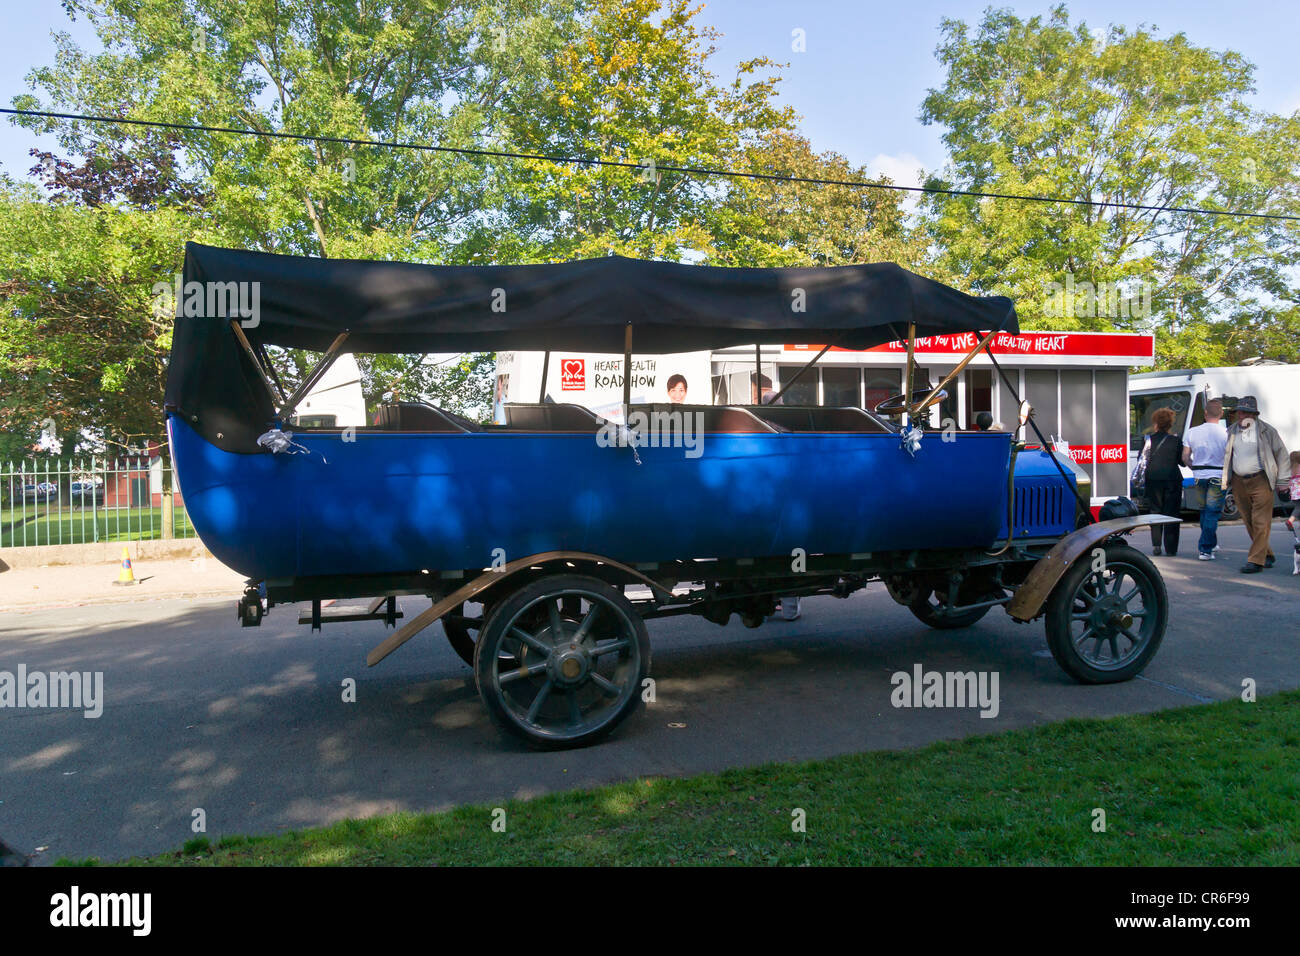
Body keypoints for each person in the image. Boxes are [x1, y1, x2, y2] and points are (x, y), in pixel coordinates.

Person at [1222, 395, 1291, 573]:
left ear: (1254, 414)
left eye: (1245, 412)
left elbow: (1282, 455)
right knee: (1249, 521)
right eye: (1239, 412)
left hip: (1261, 479)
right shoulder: (1231, 431)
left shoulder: (1267, 431)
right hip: (1238, 481)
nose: (1241, 415)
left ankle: (1255, 561)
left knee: (1261, 521)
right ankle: (1266, 554)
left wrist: (1283, 481)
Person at [1182, 399, 1227, 560]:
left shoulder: (1192, 432)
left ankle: (1212, 544)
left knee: (1204, 511)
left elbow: (1185, 457)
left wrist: (1195, 468)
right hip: (1218, 475)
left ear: (1205, 413)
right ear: (1221, 413)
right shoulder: (1226, 433)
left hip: (1199, 476)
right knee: (1212, 512)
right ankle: (1205, 549)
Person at [1141, 407, 1183, 556]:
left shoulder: (1148, 440)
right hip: (1172, 479)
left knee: (1155, 511)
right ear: (1170, 424)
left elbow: (1143, 459)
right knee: (1172, 513)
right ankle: (1171, 548)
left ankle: (1156, 545)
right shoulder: (1176, 440)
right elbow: (1181, 462)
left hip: (1153, 479)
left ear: (1156, 423)